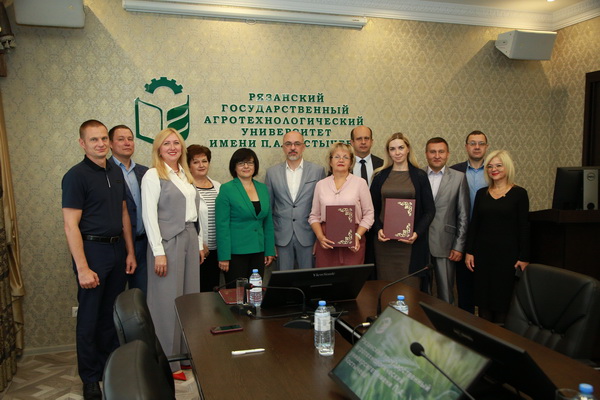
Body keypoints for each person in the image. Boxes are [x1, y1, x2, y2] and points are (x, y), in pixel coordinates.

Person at [62, 120, 136, 400]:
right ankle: (90, 378)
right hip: (91, 251)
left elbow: (124, 213)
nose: (101, 143)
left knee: (111, 315)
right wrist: (82, 268)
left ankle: (109, 369)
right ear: (82, 143)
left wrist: (129, 252)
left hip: (117, 251)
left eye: (104, 138)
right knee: (90, 318)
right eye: (94, 139)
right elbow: (70, 225)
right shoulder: (75, 176)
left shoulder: (115, 171)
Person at [141, 128, 203, 380]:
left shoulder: (185, 175)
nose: (172, 147)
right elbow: (149, 216)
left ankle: (185, 355)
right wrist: (158, 252)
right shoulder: (153, 175)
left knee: (188, 299)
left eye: (176, 143)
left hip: (189, 237)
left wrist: (199, 243)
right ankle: (168, 361)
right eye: (166, 143)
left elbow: (194, 214)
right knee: (166, 301)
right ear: (158, 148)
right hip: (167, 243)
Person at [465, 150, 529, 324]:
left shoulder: (519, 193)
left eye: (499, 165)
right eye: (490, 166)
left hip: (507, 257)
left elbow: (524, 227)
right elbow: (475, 224)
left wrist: (524, 256)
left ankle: (500, 337)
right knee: (483, 300)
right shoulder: (482, 193)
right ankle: (484, 336)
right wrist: (469, 251)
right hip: (483, 255)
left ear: (507, 167)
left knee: (502, 301)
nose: (494, 169)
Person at [370, 132, 435, 291]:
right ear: (388, 152)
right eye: (392, 149)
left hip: (410, 244)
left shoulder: (420, 176)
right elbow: (371, 209)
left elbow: (430, 210)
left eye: (400, 147)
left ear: (408, 149)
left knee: (409, 290)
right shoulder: (379, 176)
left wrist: (416, 233)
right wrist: (378, 230)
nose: (397, 152)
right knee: (385, 288)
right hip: (384, 244)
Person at [265, 131, 325, 270]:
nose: (293, 147)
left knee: (308, 278)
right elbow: (268, 210)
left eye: (297, 144)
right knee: (284, 279)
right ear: (283, 147)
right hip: (281, 237)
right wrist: (270, 243)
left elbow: (322, 208)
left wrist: (319, 238)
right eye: (288, 144)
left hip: (309, 236)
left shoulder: (317, 171)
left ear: (303, 146)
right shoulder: (272, 173)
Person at [309, 142, 374, 268]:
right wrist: (320, 237)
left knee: (351, 278)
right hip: (326, 241)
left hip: (354, 241)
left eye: (345, 157)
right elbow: (314, 216)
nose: (341, 160)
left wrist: (357, 236)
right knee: (326, 277)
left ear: (351, 162)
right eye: (337, 156)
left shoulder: (360, 183)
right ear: (330, 161)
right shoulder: (321, 185)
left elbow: (369, 214)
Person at [216, 148, 275, 286]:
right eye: (241, 163)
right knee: (236, 293)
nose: (246, 166)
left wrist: (269, 250)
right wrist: (224, 256)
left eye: (250, 163)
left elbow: (268, 223)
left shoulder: (262, 188)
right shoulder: (227, 189)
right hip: (235, 253)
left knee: (255, 291)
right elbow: (222, 225)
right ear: (234, 167)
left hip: (259, 251)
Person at [424, 137, 469, 304]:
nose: (437, 156)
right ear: (426, 154)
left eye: (441, 152)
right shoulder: (418, 175)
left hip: (446, 243)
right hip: (420, 242)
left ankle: (446, 321)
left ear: (448, 154)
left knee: (446, 293)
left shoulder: (459, 178)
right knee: (422, 292)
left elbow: (463, 214)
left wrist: (459, 245)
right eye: (433, 152)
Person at [450, 130, 489, 313]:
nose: (477, 147)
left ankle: (485, 323)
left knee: (485, 285)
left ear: (486, 147)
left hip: (486, 234)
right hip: (462, 234)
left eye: (481, 143)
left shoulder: (494, 170)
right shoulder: (455, 171)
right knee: (464, 284)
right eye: (473, 143)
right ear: (466, 147)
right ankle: (465, 320)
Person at [109, 124, 149, 295]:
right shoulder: (103, 171)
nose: (127, 143)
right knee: (114, 296)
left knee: (141, 296)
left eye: (130, 139)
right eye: (121, 139)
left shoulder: (145, 172)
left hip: (143, 244)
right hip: (116, 246)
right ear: (110, 144)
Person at [187, 144, 221, 292]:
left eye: (204, 161)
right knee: (197, 292)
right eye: (196, 162)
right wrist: (199, 243)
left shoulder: (218, 186)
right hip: (198, 250)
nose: (201, 165)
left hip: (218, 250)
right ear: (188, 166)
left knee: (214, 291)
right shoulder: (186, 188)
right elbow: (187, 220)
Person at [350, 125, 383, 268]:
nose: (363, 142)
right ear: (352, 142)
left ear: (372, 141)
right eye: (359, 139)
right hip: (353, 225)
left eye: (366, 138)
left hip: (378, 225)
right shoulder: (344, 165)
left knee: (375, 264)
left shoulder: (383, 165)